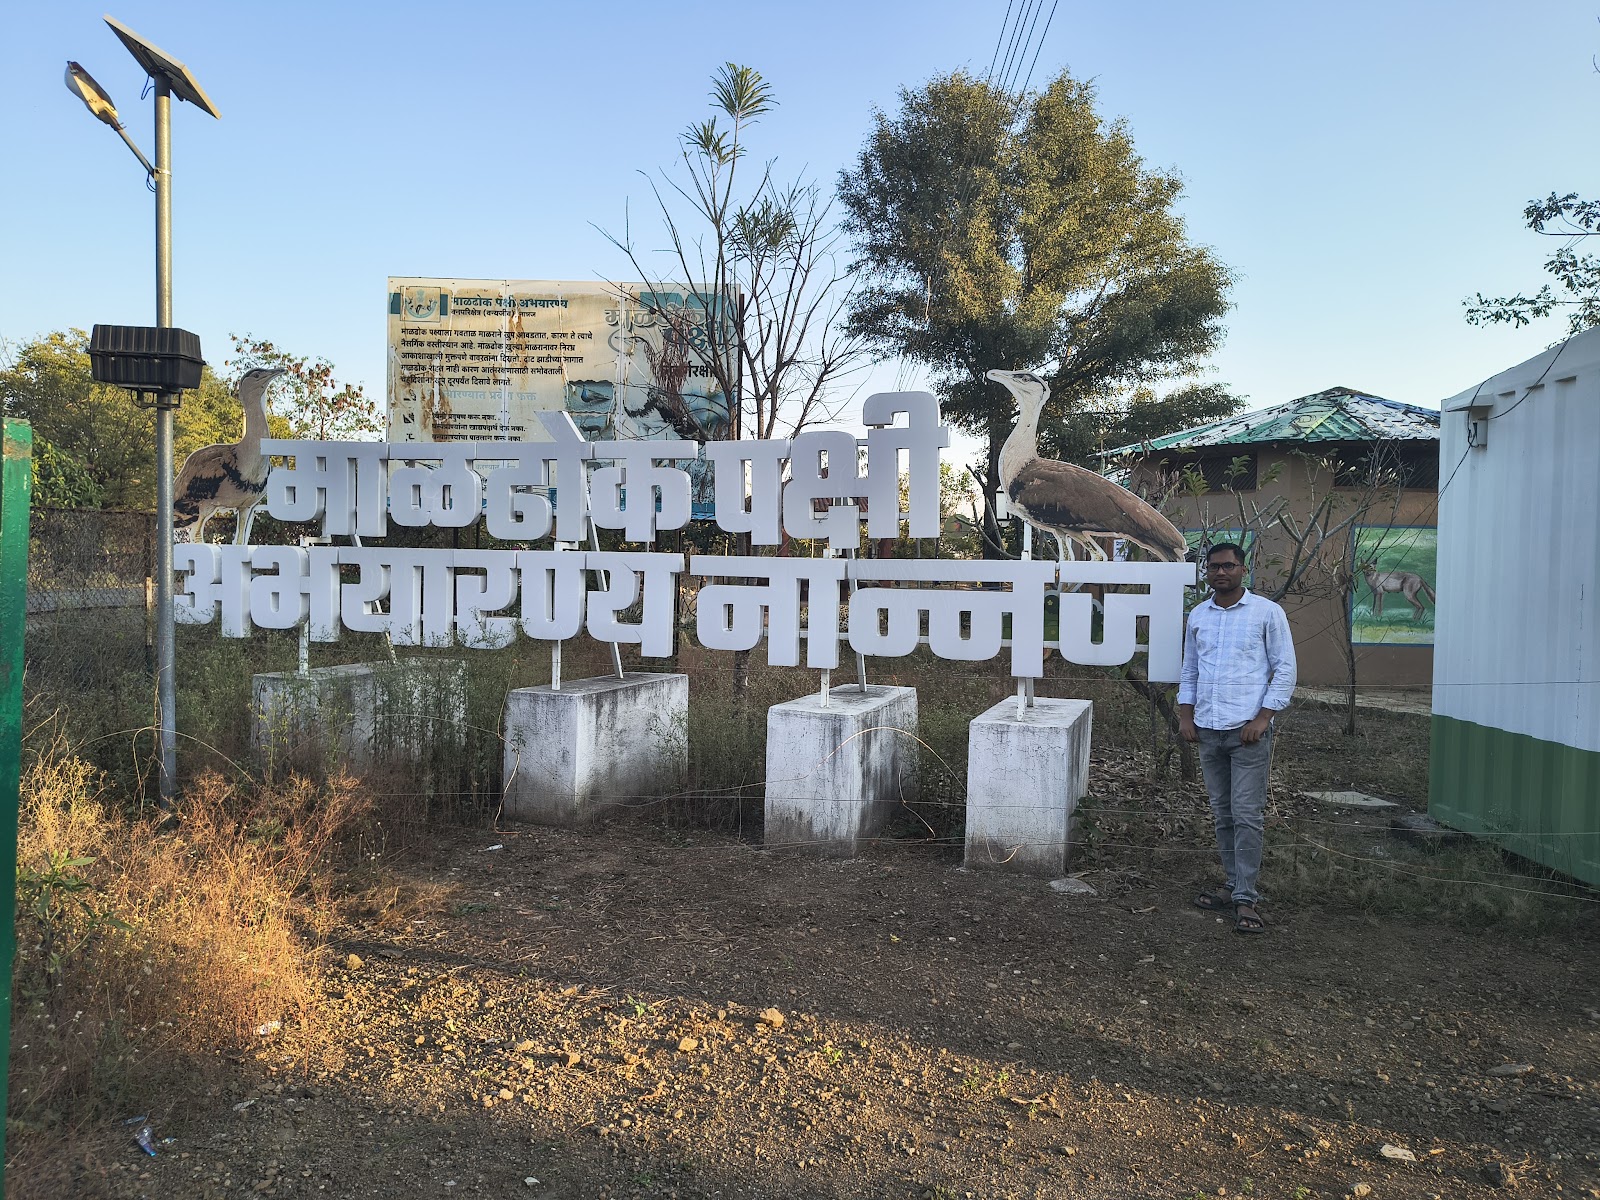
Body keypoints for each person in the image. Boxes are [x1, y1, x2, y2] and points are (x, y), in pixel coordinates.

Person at [1177, 542, 1297, 934]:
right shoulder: (1199, 615)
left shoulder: (1267, 613)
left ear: (1244, 569)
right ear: (1206, 572)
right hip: (1209, 731)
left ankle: (1246, 898)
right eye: (1213, 567)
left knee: (1247, 816)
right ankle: (1232, 885)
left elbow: (1284, 669)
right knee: (1222, 814)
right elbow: (1190, 669)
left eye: (1228, 566)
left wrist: (1264, 717)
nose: (1220, 573)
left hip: (1248, 733)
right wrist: (1186, 715)